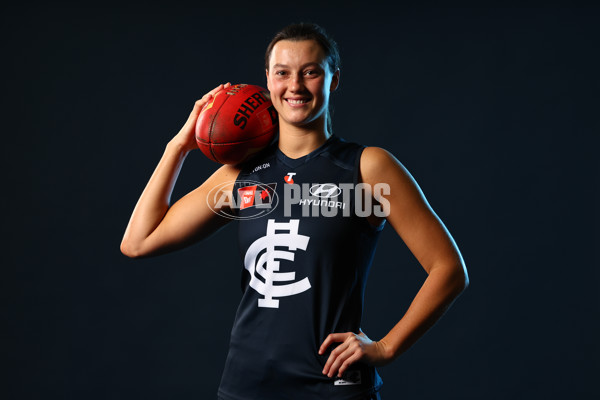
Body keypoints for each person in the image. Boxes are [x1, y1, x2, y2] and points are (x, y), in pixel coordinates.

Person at [121, 22, 469, 400]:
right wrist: (179, 146)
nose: (296, 86)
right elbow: (139, 241)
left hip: (332, 387)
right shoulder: (240, 176)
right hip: (247, 385)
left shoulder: (367, 168)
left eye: (311, 72)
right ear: (268, 81)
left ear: (333, 79)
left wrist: (386, 347)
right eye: (283, 73)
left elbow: (449, 269)